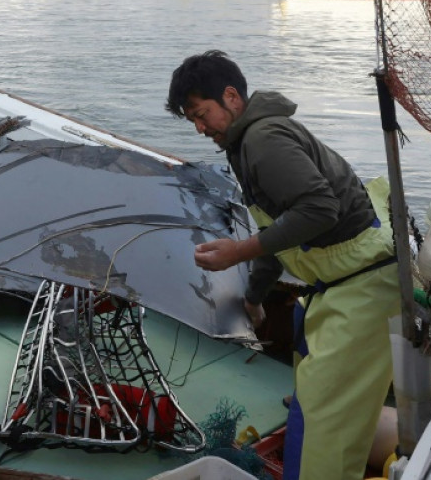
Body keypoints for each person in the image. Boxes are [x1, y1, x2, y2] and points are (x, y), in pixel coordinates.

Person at [166, 50, 399, 480]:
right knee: (315, 404)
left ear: (232, 97)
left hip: (364, 285)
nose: (200, 129)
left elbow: (318, 210)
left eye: (202, 115)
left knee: (325, 427)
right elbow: (283, 226)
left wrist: (238, 251)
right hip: (342, 281)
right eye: (192, 121)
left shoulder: (263, 140)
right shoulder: (246, 141)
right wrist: (255, 296)